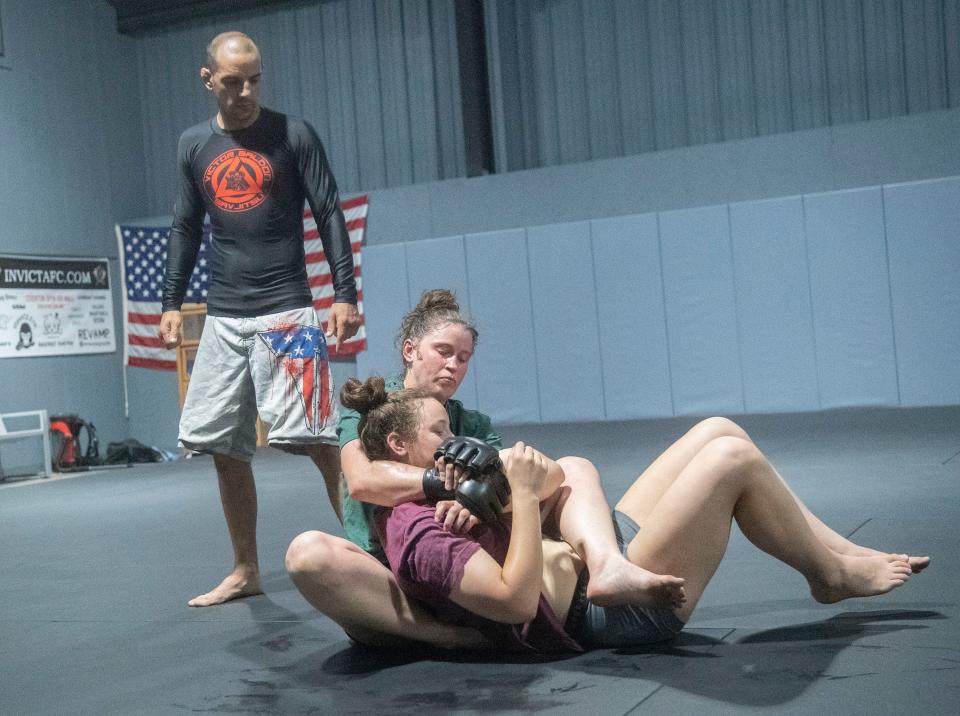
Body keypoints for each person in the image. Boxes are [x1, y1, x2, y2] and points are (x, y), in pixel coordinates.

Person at [332, 377, 929, 651]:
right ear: (400, 449)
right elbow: (514, 604)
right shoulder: (416, 530)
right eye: (441, 431)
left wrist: (505, 501)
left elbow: (561, 478)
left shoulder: (452, 495)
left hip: (603, 563)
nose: (454, 438)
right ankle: (828, 576)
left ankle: (840, 554)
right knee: (730, 460)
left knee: (718, 428)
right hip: (608, 618)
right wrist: (513, 495)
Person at [287, 289, 682, 647]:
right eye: (443, 351)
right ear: (410, 350)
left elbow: (526, 479)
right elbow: (362, 481)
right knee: (309, 553)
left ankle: (605, 565)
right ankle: (441, 636)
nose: (453, 365)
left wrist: (487, 501)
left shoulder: (472, 423)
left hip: (463, 563)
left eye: (463, 358)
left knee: (573, 468)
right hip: (392, 579)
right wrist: (458, 488)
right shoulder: (372, 410)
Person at [159, 31, 361, 607]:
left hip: (289, 314)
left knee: (322, 439)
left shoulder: (292, 134)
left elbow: (328, 210)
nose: (245, 90)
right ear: (208, 80)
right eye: (231, 81)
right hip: (223, 318)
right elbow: (185, 227)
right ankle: (245, 568)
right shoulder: (193, 145)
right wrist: (171, 301)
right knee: (225, 447)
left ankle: (370, 553)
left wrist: (343, 292)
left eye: (254, 79)